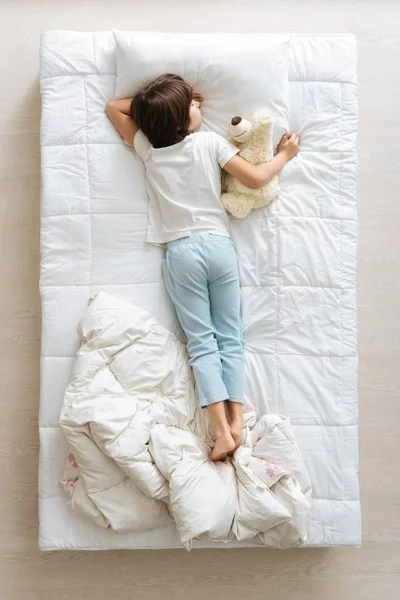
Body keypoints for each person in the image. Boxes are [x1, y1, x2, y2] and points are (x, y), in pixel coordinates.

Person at [106, 73, 299, 461]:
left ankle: (220, 431)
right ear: (182, 120)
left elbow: (115, 107)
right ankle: (238, 421)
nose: (200, 106)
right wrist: (286, 155)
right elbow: (258, 177)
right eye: (193, 106)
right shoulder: (210, 143)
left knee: (201, 343)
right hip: (219, 247)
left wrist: (158, 106)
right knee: (231, 337)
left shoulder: (147, 148)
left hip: (182, 254)